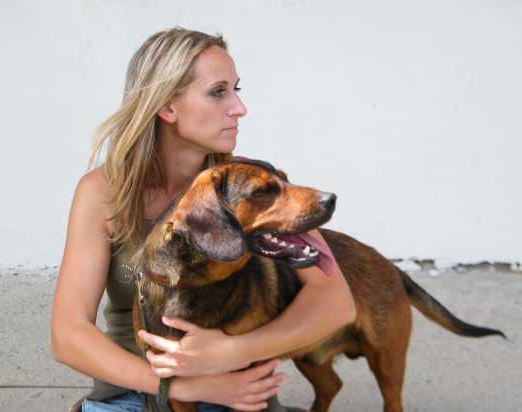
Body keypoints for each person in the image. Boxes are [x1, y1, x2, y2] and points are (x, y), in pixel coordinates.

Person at [51, 28, 356, 412]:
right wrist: (180, 387)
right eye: (217, 92)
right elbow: (68, 335)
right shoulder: (103, 192)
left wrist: (233, 350)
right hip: (132, 388)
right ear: (167, 107)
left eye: (235, 90)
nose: (239, 108)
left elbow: (336, 302)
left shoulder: (249, 186)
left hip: (235, 388)